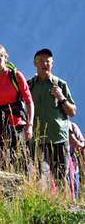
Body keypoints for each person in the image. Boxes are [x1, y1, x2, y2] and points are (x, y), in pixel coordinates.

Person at [28, 48, 77, 187]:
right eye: (40, 61)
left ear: (52, 63)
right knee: (38, 178)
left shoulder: (60, 84)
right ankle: (40, 205)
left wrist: (61, 97)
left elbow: (72, 111)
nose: (44, 64)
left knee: (62, 178)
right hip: (37, 140)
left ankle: (63, 205)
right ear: (34, 63)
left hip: (58, 139)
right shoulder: (29, 85)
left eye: (47, 61)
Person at [69, 122, 84, 200]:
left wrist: (78, 144)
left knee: (75, 189)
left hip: (73, 163)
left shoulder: (72, 126)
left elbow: (82, 143)